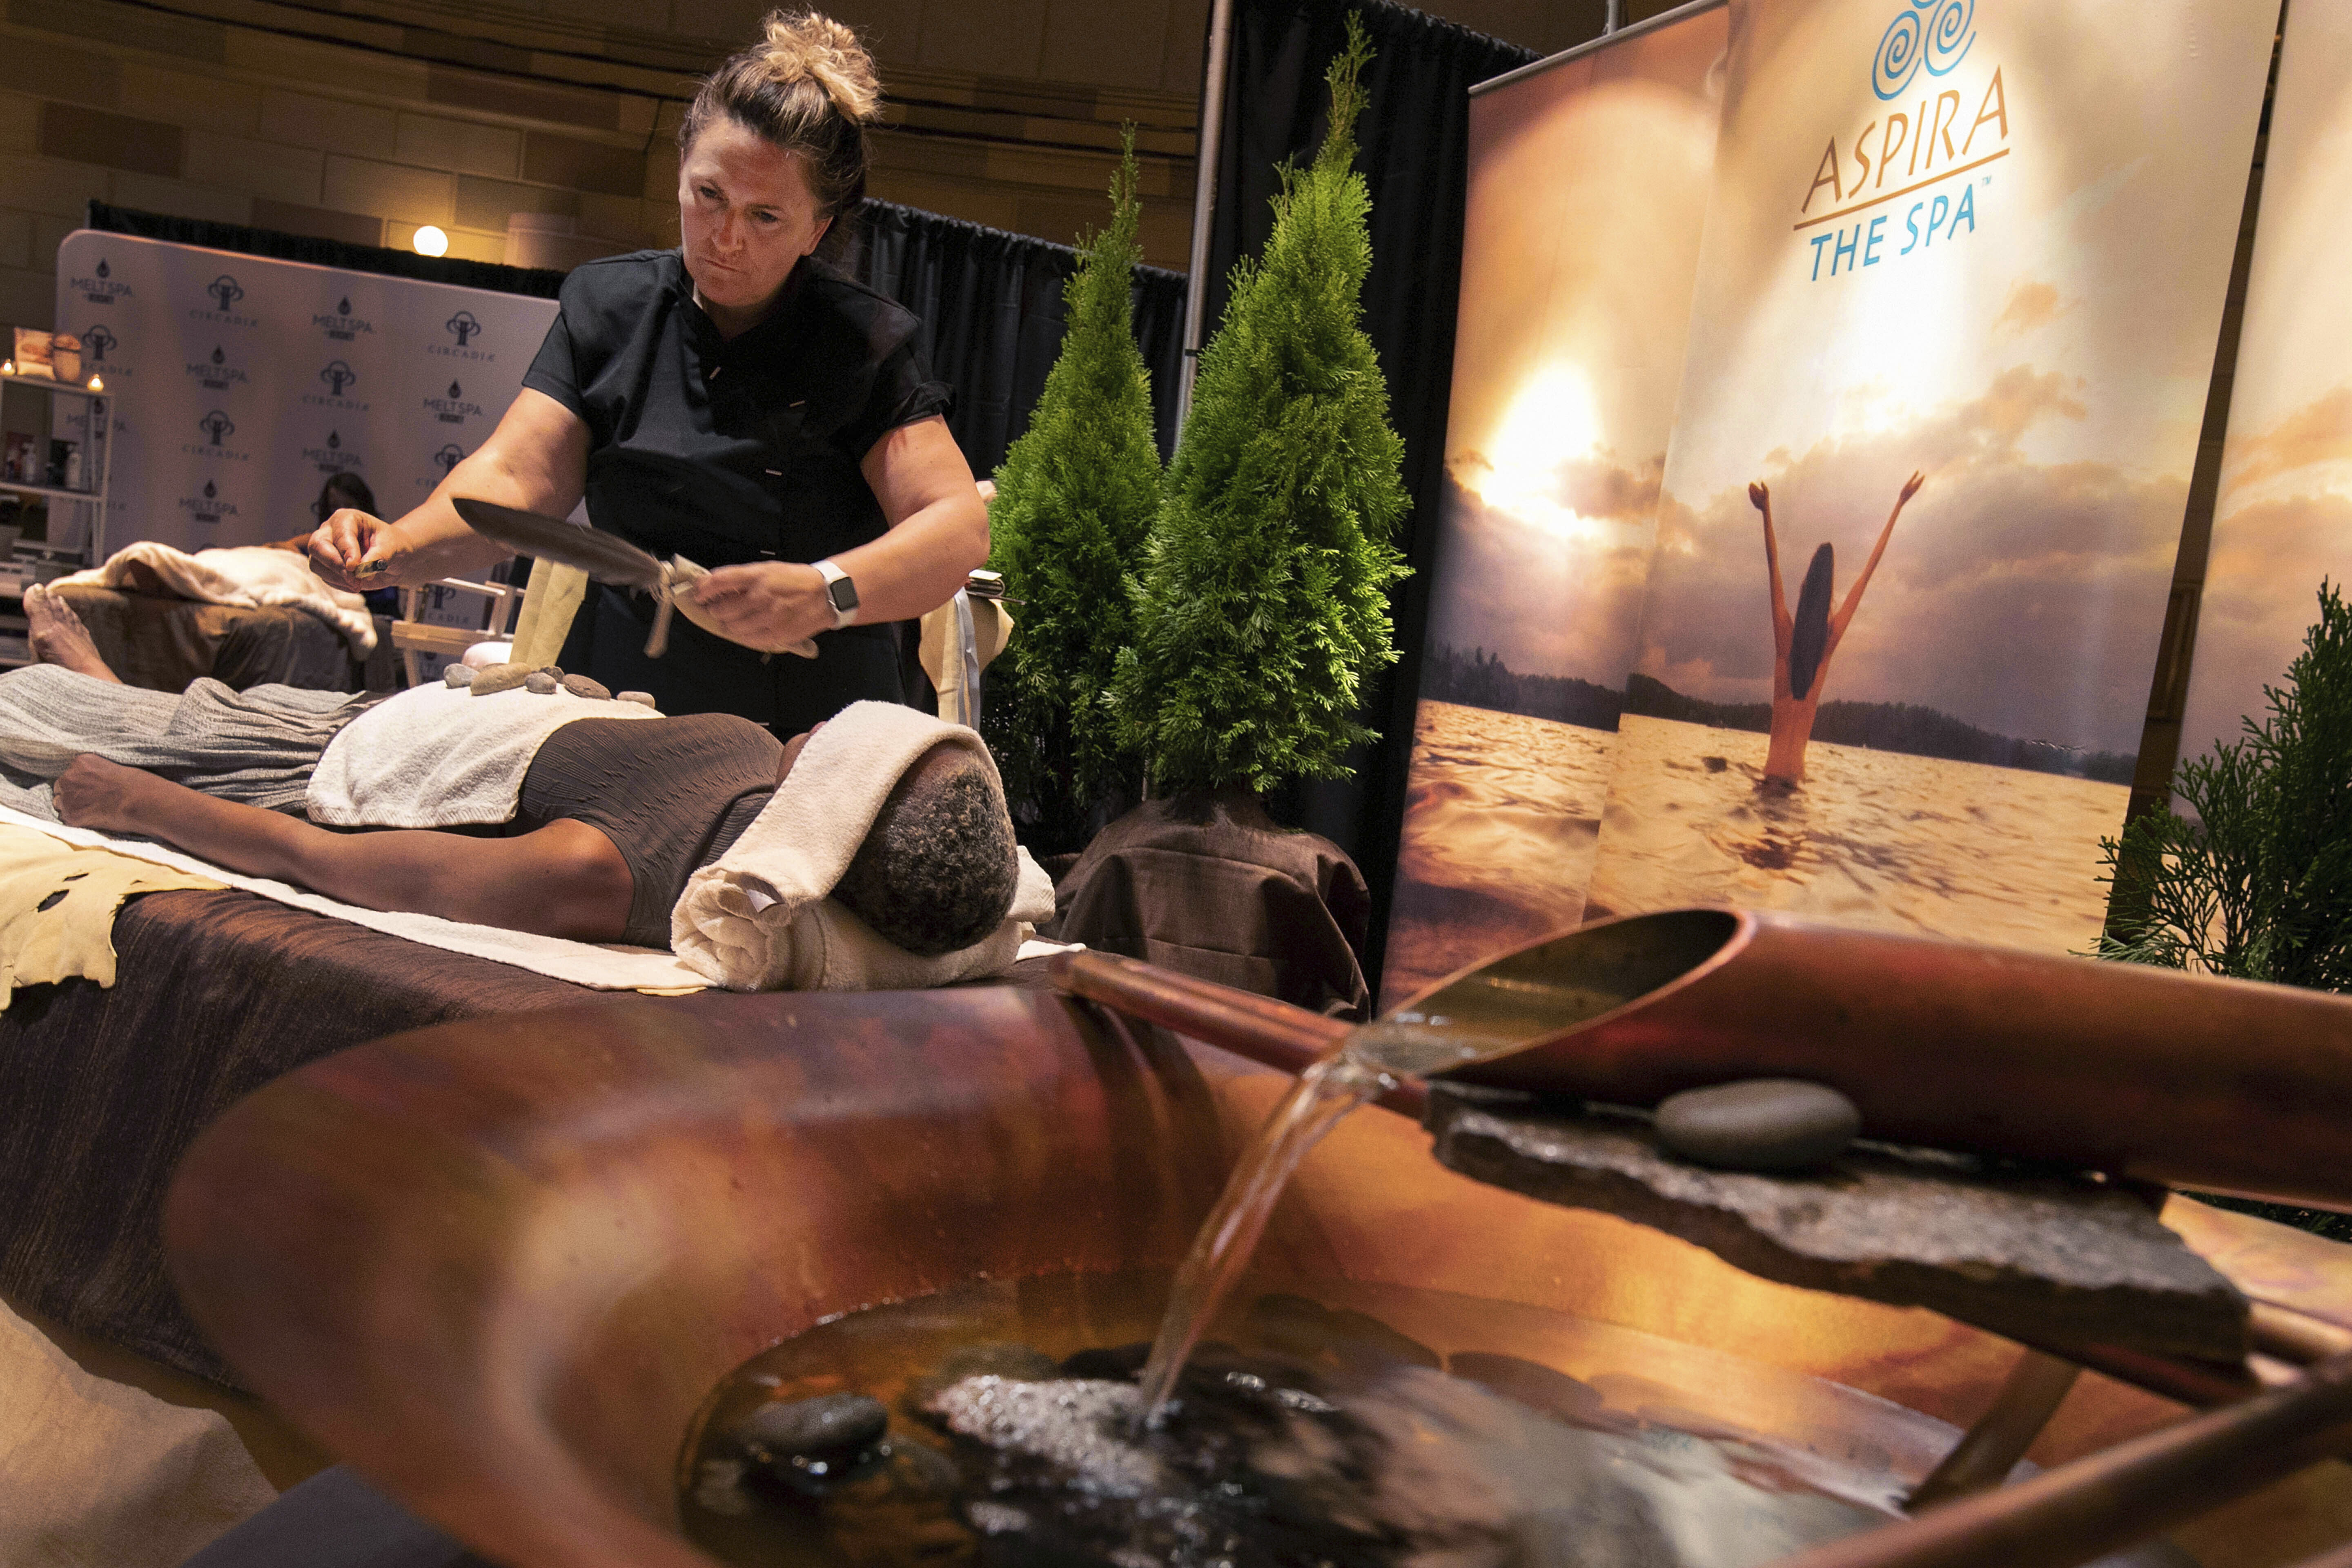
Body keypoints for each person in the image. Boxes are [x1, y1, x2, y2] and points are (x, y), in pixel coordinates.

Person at [305, 9, 988, 742]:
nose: (726, 239)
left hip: (808, 718)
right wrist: (395, 548)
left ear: (818, 230)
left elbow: (955, 529)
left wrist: (828, 592)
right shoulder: (612, 307)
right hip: (619, 693)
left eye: (766, 217)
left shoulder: (861, 342)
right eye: (709, 196)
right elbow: (513, 481)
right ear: (681, 172)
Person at [12, 584, 1014, 953]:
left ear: (828, 810)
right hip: (397, 717)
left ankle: (94, 694)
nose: (833, 716)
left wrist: (134, 801)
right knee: (179, 708)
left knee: (28, 717)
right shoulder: (756, 761)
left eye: (851, 741)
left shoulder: (610, 871)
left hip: (315, 771)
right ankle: (108, 686)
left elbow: (335, 866)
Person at [1749, 470, 1925, 784]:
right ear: (1829, 594)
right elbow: (1868, 572)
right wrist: (1900, 503)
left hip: (1771, 778)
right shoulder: (1827, 649)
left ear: (1803, 588)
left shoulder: (1784, 642)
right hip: (1798, 783)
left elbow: (1772, 564)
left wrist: (1767, 511)